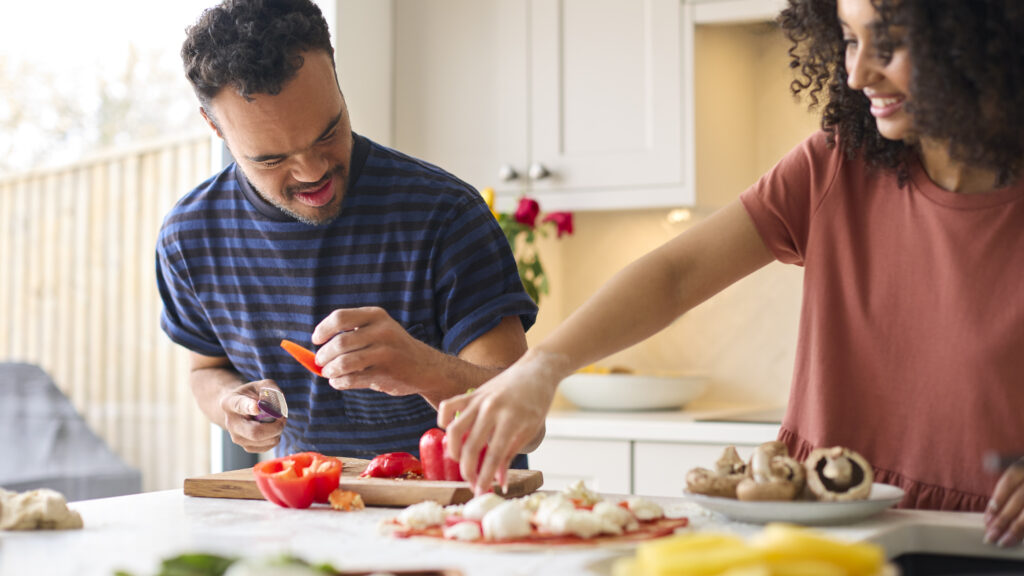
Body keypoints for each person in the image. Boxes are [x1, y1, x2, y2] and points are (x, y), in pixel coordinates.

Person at [440, 0, 1024, 546]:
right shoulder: (835, 163)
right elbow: (677, 272)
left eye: (889, 43)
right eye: (848, 40)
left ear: (971, 37)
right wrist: (543, 367)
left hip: (982, 543)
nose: (857, 73)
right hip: (813, 532)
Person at [156, 0, 539, 467]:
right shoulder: (191, 236)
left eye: (328, 132)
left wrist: (422, 368)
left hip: (458, 520)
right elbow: (205, 369)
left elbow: (528, 427)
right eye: (272, 159)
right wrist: (229, 403)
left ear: (337, 80)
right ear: (213, 127)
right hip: (307, 515)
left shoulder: (446, 215)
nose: (314, 171)